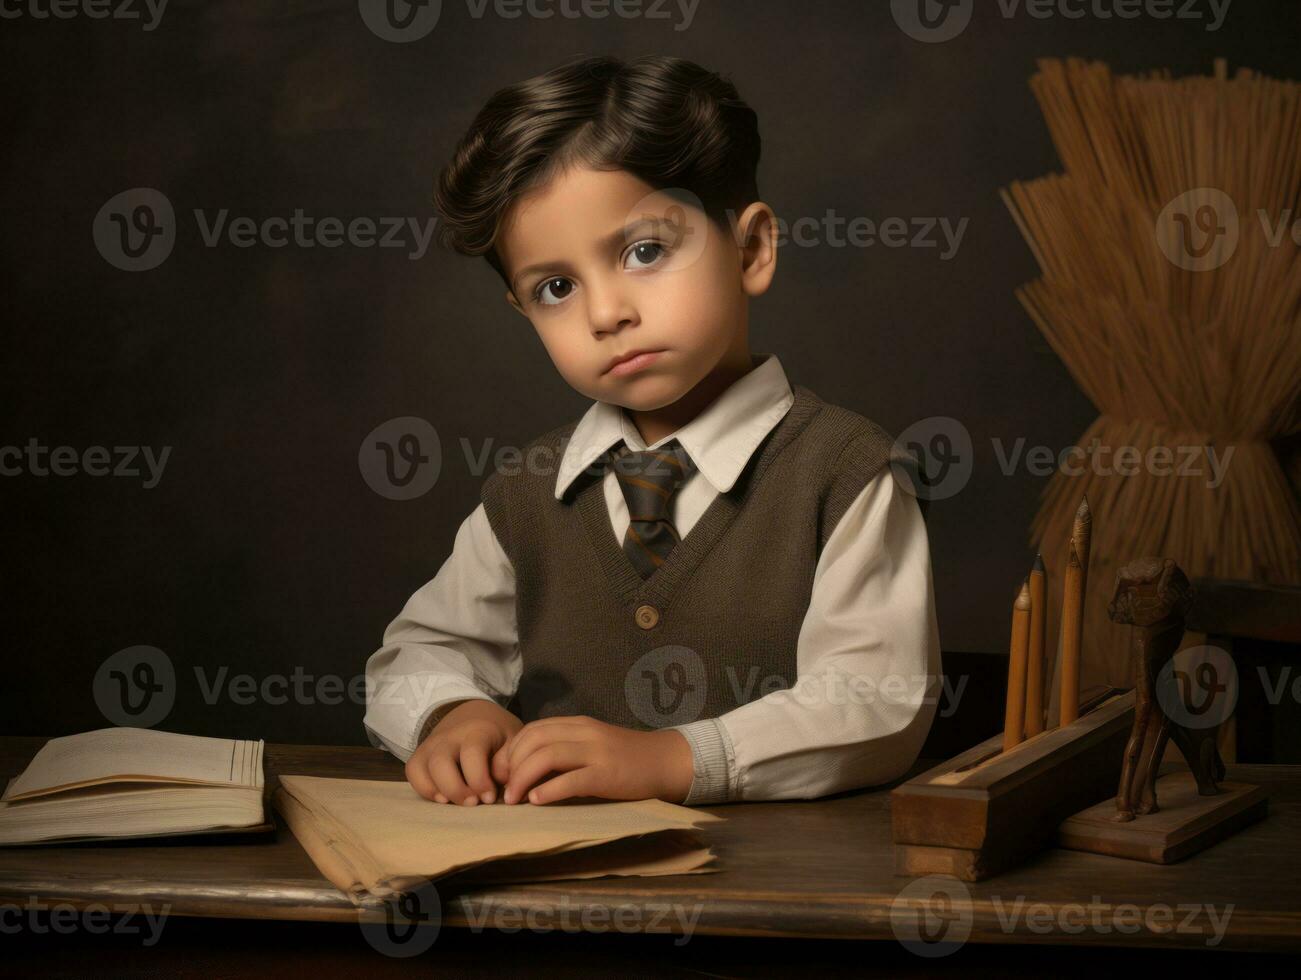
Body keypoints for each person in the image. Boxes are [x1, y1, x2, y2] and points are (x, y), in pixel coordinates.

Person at [363, 54, 941, 808]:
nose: (605, 313)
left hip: (779, 898)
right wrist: (450, 711)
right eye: (556, 288)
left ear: (749, 249)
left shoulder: (845, 472)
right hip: (544, 891)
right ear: (522, 310)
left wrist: (677, 758)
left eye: (644, 252)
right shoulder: (527, 493)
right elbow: (419, 650)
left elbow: (874, 701)